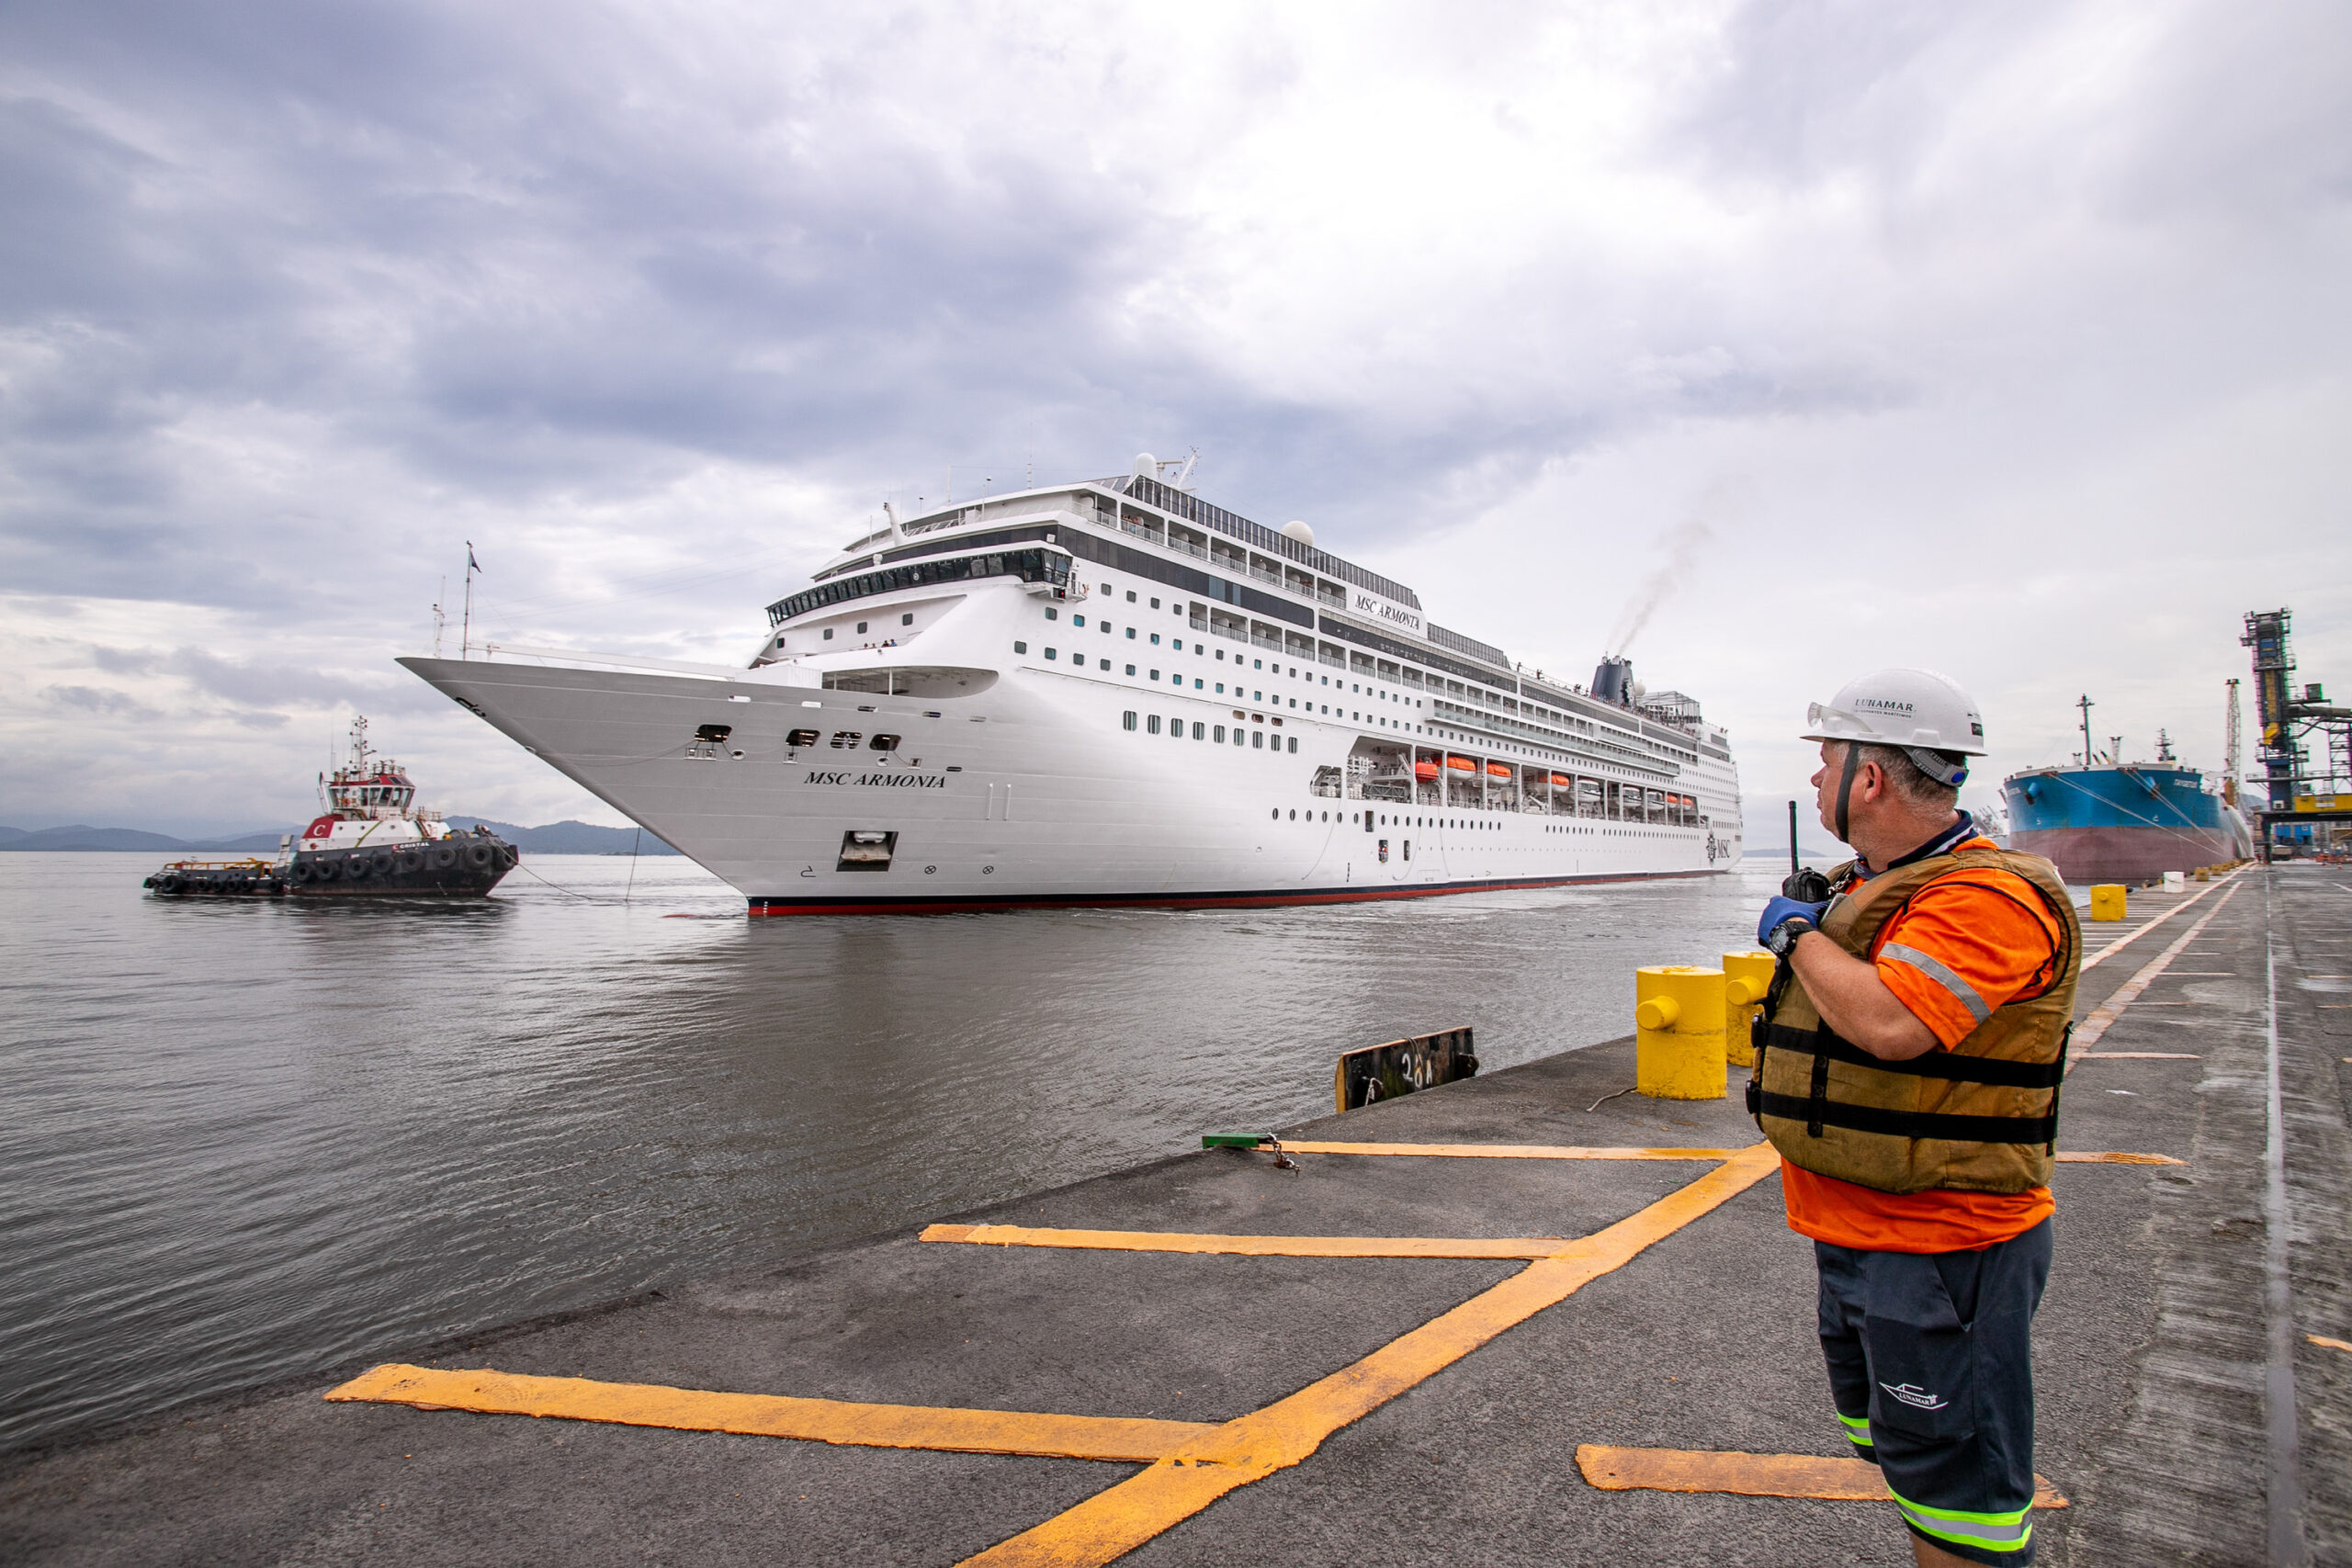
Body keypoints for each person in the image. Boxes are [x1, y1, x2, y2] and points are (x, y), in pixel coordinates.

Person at [1748, 669, 2080, 1568]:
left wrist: (1796, 937)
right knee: (1905, 1456)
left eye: (1825, 764)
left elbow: (1894, 1023)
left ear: (1868, 778)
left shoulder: (1989, 897)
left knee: (1956, 1504)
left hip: (1943, 1249)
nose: (1814, 783)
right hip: (1861, 1238)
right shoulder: (1879, 887)